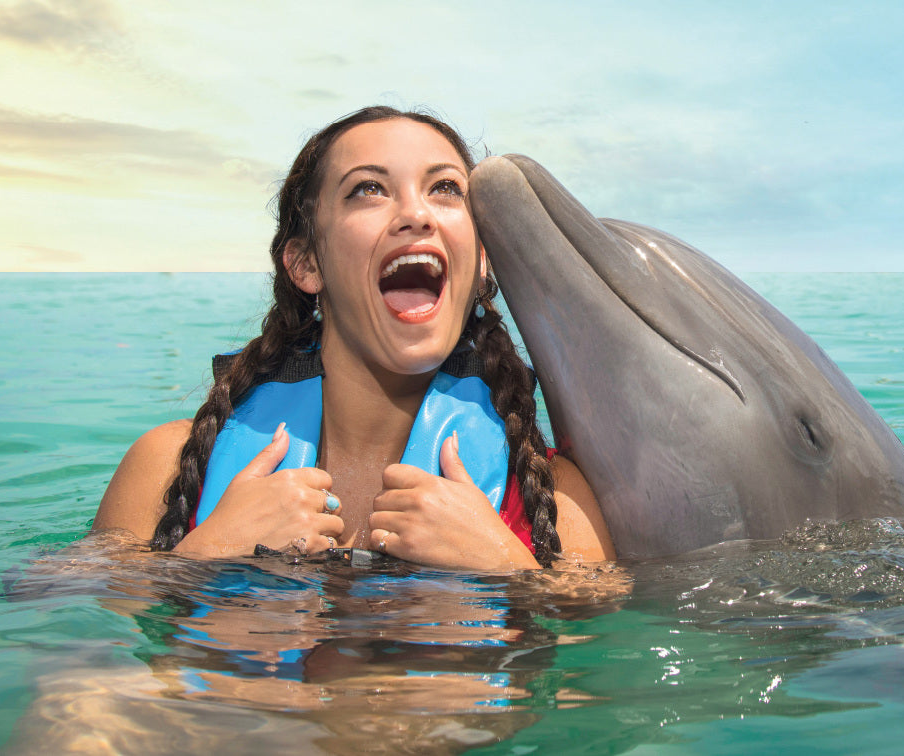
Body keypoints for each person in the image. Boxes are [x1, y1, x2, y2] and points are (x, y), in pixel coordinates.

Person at [93, 106, 615, 570]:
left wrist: (507, 568)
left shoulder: (552, 495)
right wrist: (206, 555)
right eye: (369, 189)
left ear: (480, 263)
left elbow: (592, 664)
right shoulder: (167, 466)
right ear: (306, 263)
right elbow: (68, 651)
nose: (416, 214)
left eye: (445, 189)